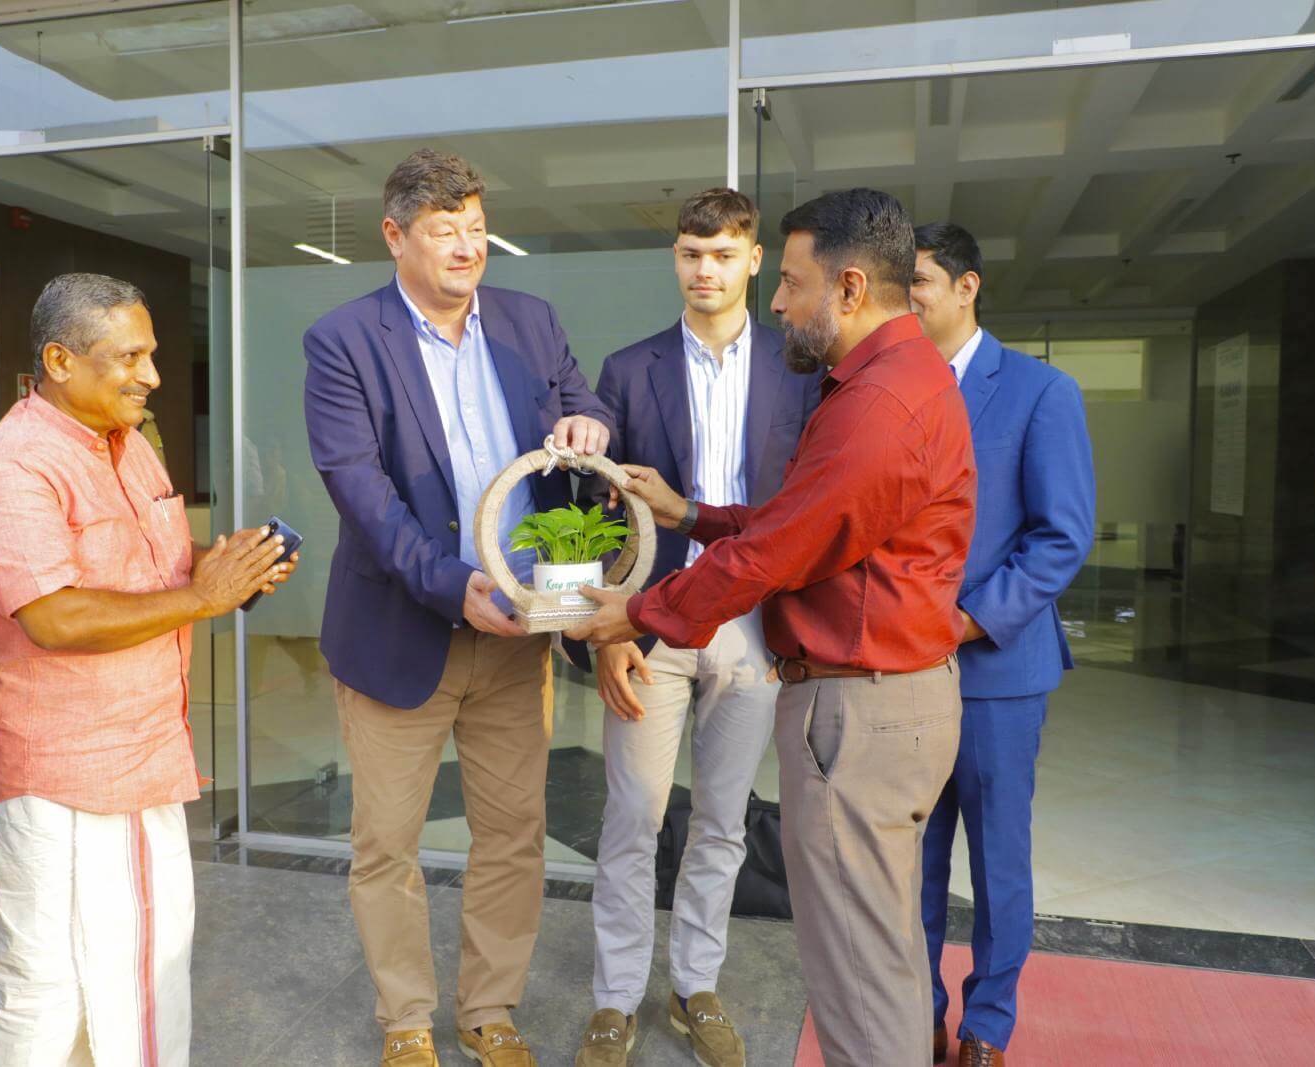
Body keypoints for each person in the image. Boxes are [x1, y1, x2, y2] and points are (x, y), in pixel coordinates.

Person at [569, 187, 977, 1067]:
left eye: (789, 281)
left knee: (856, 969)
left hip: (854, 697)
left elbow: (783, 547)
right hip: (873, 688)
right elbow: (800, 516)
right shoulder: (886, 378)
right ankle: (620, 995)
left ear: (851, 287)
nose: (779, 301)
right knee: (883, 945)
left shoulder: (873, 401)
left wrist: (634, 615)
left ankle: (700, 987)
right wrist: (692, 515)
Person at [304, 149, 611, 1067]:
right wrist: (449, 585)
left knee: (512, 835)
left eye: (477, 229)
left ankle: (490, 1010)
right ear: (396, 236)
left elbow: (578, 403)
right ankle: (405, 1020)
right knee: (387, 844)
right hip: (402, 633)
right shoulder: (343, 340)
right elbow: (359, 491)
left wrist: (590, 422)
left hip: (519, 633)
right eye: (446, 231)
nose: (468, 247)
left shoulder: (530, 320)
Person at [0, 273, 296, 1067]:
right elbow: (55, 615)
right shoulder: (15, 464)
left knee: (145, 966)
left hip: (145, 754)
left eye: (152, 354)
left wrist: (228, 567)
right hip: (69, 771)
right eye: (131, 356)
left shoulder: (132, 444)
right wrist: (205, 598)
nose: (153, 375)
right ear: (60, 360)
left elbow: (159, 568)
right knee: (51, 980)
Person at [573, 188, 821, 1067]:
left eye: (722, 255)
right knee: (633, 817)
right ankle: (613, 999)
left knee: (721, 818)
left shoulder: (802, 371)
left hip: (753, 625)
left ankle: (694, 986)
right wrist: (605, 634)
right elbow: (602, 518)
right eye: (689, 253)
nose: (704, 270)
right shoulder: (630, 369)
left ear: (755, 261)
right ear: (675, 259)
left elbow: (803, 508)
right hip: (652, 625)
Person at [910, 222, 1094, 1067]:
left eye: (916, 280)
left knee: (998, 863)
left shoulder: (1039, 392)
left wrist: (969, 617)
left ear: (966, 286)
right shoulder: (884, 390)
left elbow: (1062, 536)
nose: (904, 297)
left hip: (996, 669)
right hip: (899, 672)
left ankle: (987, 1027)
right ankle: (919, 1011)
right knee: (908, 862)